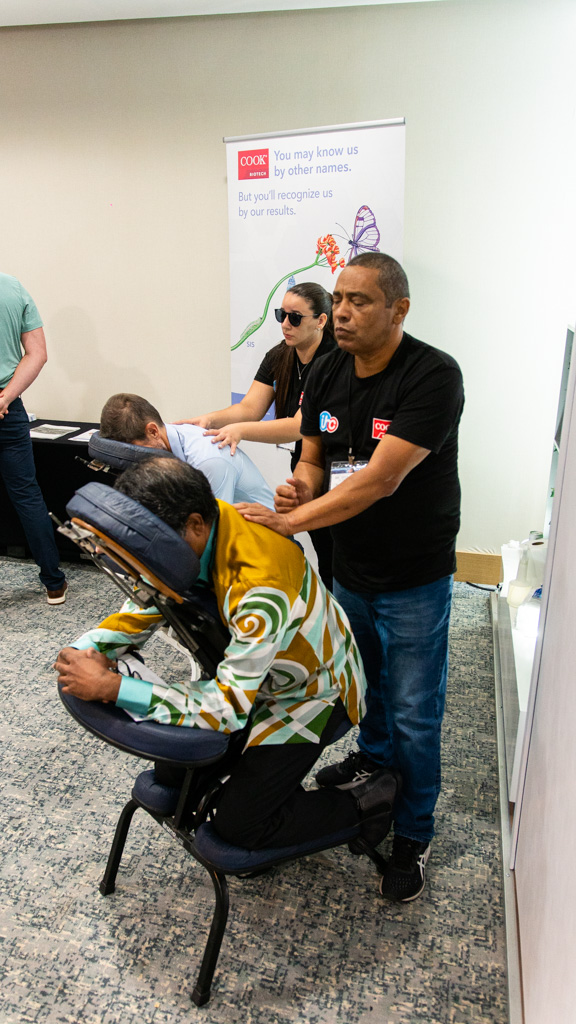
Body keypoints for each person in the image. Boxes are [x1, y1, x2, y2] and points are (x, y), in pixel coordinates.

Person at [236, 252, 464, 900]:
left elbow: (380, 479)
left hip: (414, 575)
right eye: (338, 299)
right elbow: (314, 457)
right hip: (351, 567)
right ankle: (375, 759)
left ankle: (413, 831)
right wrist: (299, 489)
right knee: (362, 683)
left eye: (359, 301)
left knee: (416, 710)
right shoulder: (329, 367)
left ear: (399, 309)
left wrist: (293, 520)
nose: (341, 312)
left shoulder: (433, 375)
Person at [54, 457, 399, 852]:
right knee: (174, 776)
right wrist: (84, 652)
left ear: (195, 524)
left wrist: (112, 688)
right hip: (249, 671)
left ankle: (367, 802)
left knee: (240, 826)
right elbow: (148, 602)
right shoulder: (191, 531)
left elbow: (227, 707)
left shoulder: (259, 585)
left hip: (313, 692)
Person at [180, 282, 336, 588]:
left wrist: (238, 431)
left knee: (339, 555)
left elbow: (299, 425)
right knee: (325, 553)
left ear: (321, 321)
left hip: (338, 464)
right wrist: (209, 419)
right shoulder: (280, 355)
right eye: (281, 315)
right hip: (307, 462)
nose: (285, 324)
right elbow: (250, 407)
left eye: (295, 318)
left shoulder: (333, 359)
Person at [0, 271, 67, 604]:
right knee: (27, 496)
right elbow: (37, 354)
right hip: (8, 408)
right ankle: (54, 583)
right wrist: (5, 398)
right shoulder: (12, 288)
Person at [99, 392, 275, 509]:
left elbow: (217, 530)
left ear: (153, 431)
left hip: (262, 540)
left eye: (133, 450)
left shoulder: (209, 460)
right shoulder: (168, 442)